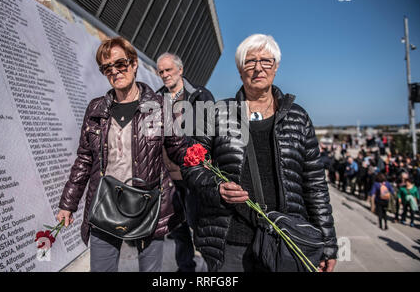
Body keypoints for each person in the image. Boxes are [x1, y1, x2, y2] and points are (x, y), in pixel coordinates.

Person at [182, 34, 338, 272]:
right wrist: (217, 187)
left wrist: (327, 245)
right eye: (249, 61)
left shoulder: (298, 117)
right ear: (239, 70)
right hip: (231, 243)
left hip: (285, 242)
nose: (258, 68)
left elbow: (315, 185)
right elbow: (192, 166)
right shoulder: (215, 113)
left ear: (275, 66)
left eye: (265, 61)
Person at [56, 37, 188, 272]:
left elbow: (179, 150)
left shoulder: (161, 107)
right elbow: (85, 159)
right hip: (105, 203)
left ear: (134, 64)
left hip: (148, 208)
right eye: (107, 68)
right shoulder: (96, 109)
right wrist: (68, 203)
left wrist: (205, 167)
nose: (115, 72)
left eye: (121, 64)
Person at [156, 52, 214, 272]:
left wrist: (199, 166)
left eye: (168, 70)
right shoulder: (156, 98)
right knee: (177, 227)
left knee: (200, 226)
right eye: (161, 71)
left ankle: (212, 269)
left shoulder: (199, 95)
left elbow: (209, 134)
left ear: (180, 70)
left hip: (193, 175)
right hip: (167, 177)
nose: (164, 75)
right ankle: (186, 268)